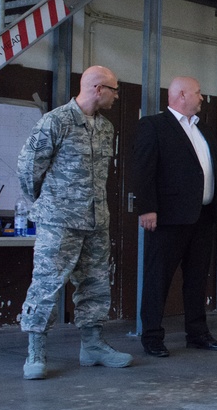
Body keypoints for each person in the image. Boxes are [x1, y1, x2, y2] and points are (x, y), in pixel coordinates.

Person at [17, 65, 133, 380]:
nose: (117, 95)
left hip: (96, 221)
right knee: (46, 284)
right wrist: (48, 205)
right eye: (114, 89)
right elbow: (29, 170)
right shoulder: (55, 122)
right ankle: (36, 351)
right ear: (98, 88)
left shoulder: (107, 128)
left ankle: (92, 346)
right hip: (60, 222)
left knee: (95, 284)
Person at [132, 76, 217, 356]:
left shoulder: (203, 129)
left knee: (197, 279)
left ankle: (197, 333)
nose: (203, 98)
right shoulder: (154, 125)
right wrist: (146, 207)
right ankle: (152, 337)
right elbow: (143, 168)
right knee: (158, 279)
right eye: (198, 93)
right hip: (168, 219)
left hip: (203, 217)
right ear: (181, 95)